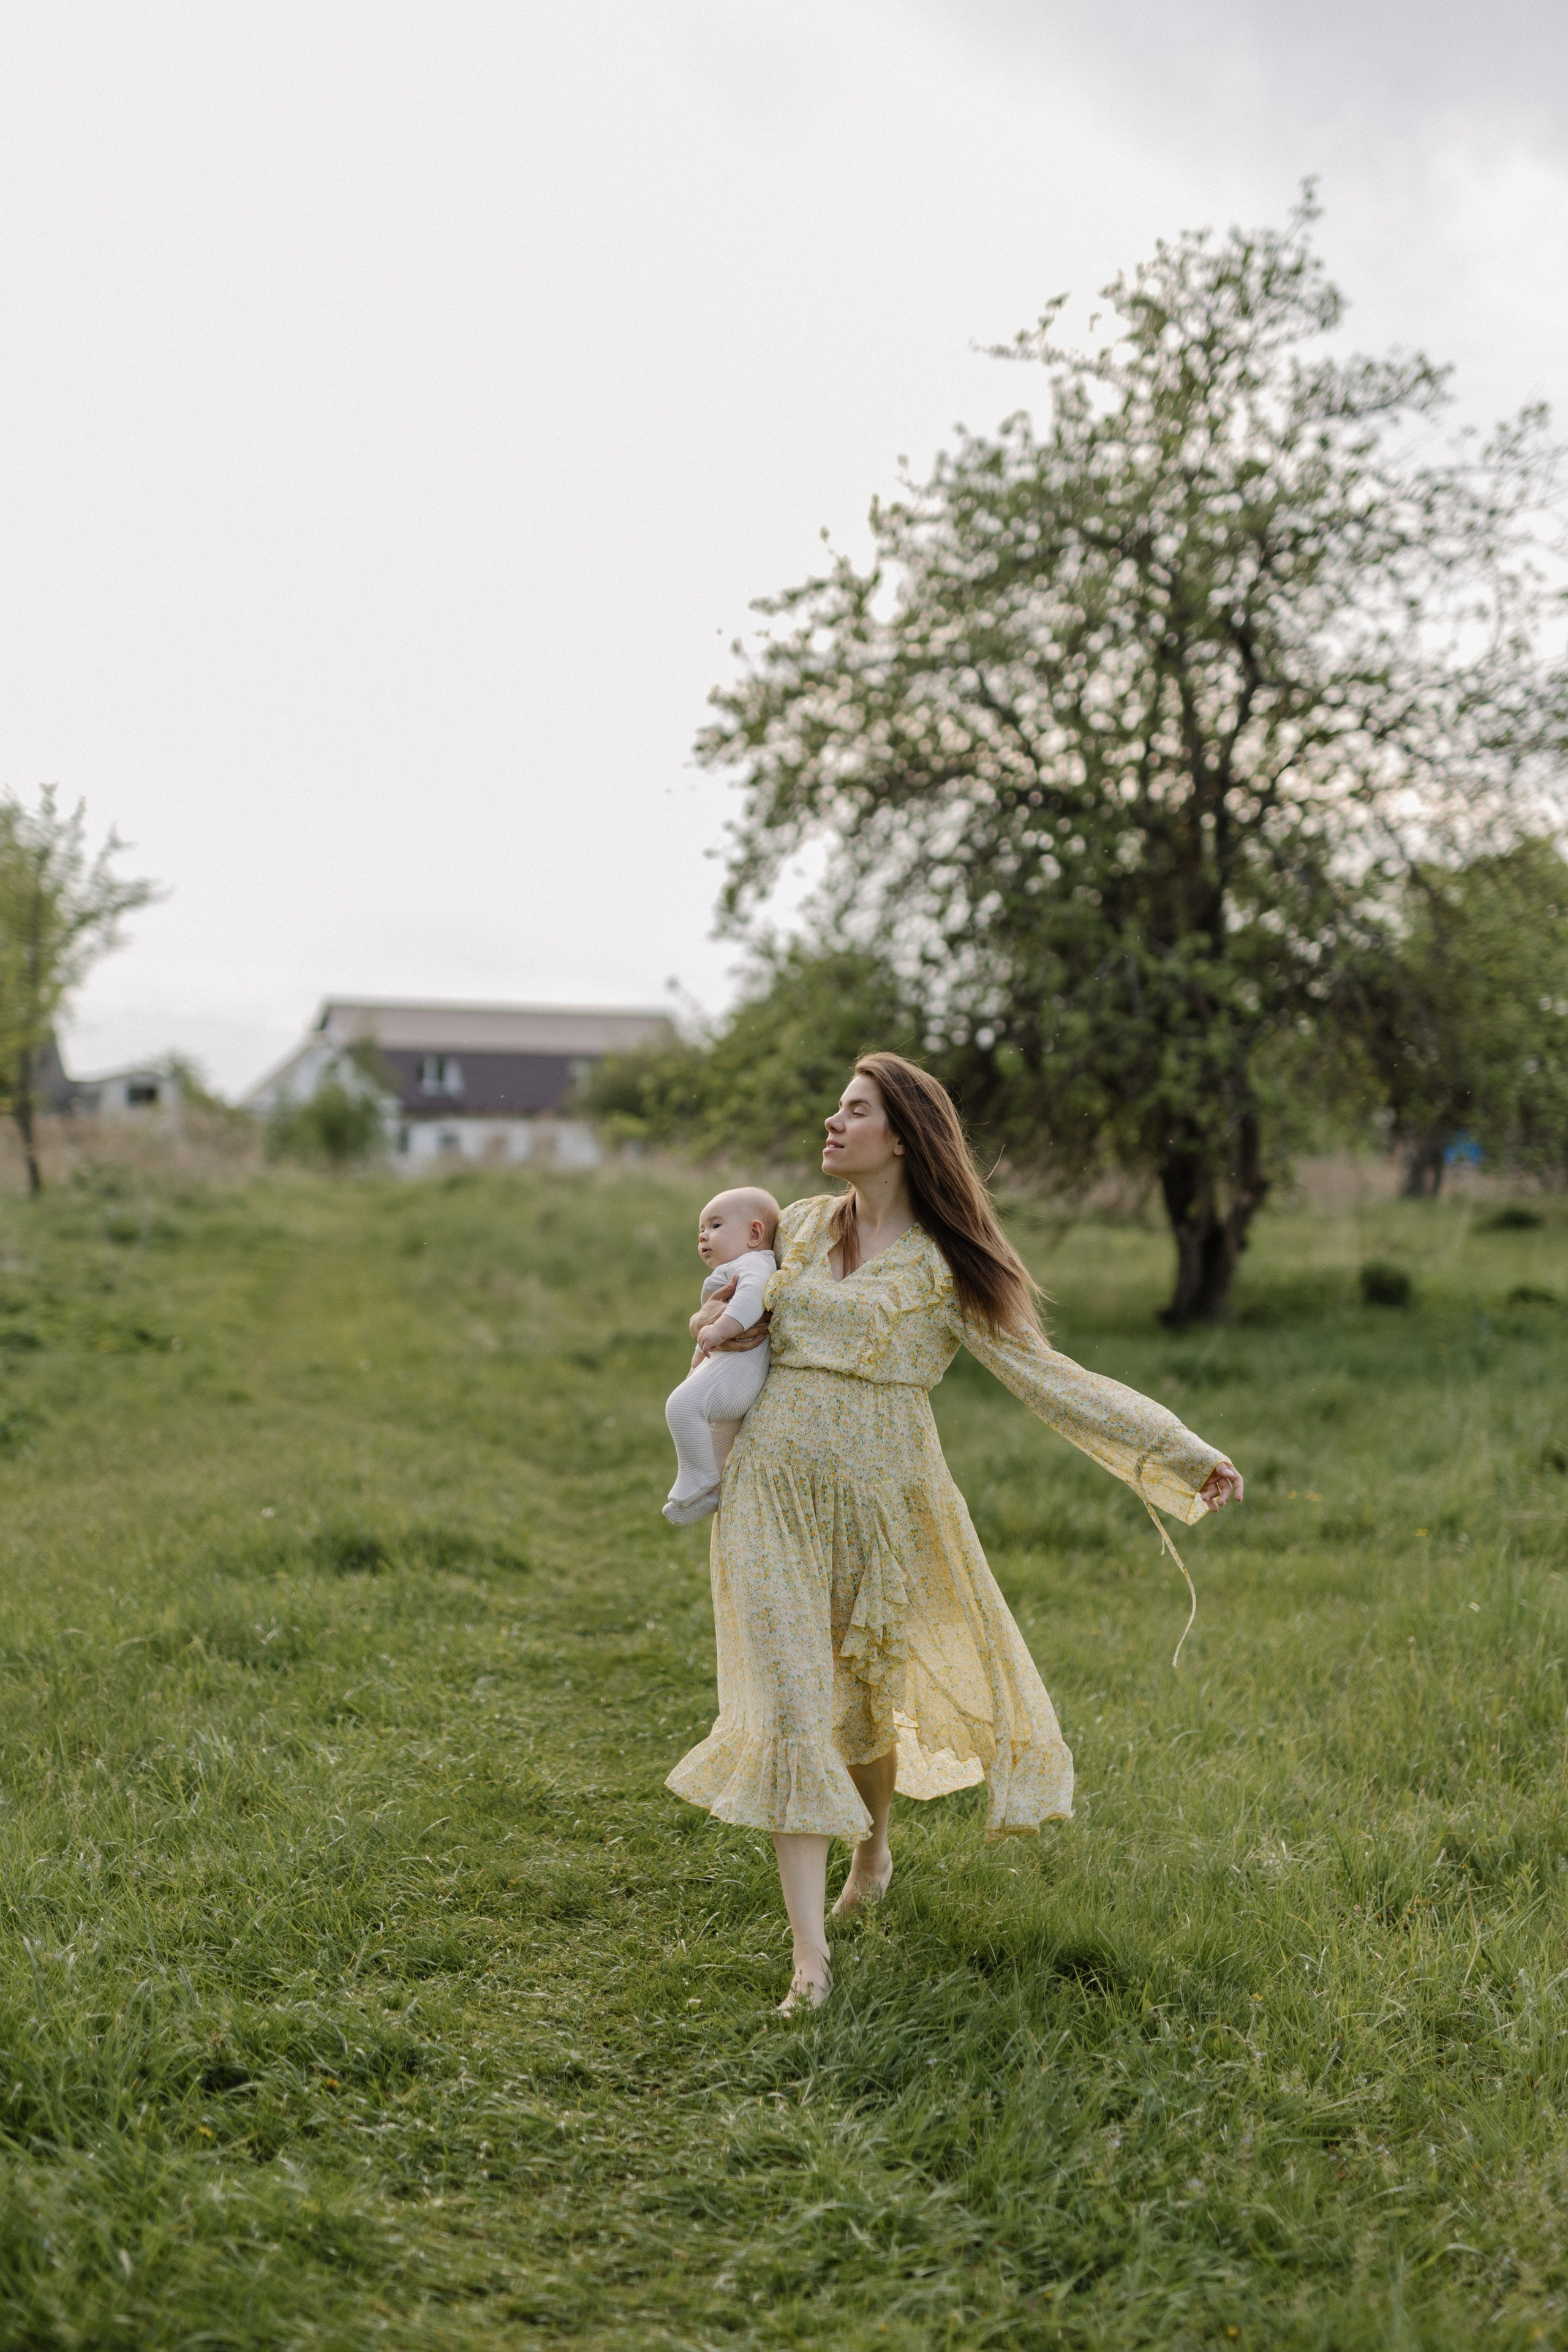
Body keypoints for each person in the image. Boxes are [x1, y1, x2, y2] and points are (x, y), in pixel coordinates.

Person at [666, 1055, 1243, 2015]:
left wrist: (1180, 1450)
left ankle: (874, 1848)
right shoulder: (798, 1227)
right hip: (772, 1494)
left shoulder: (945, 1265)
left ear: (902, 1136)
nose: (832, 1121)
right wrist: (709, 1395)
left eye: (855, 1111)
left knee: (863, 1691)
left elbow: (1050, 1377)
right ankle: (809, 1960)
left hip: (888, 1501)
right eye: (837, 1107)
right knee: (794, 1708)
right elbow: (723, 1328)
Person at [663, 1187, 781, 1526]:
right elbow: (714, 1317)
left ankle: (697, 1476)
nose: (703, 1235)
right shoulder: (741, 1265)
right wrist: (699, 1358)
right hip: (737, 1372)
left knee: (681, 1407)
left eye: (715, 1226)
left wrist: (718, 1331)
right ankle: (708, 1492)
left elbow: (749, 1302)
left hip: (741, 1370)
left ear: (754, 1233)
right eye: (700, 1229)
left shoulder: (754, 1264)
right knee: (720, 1437)